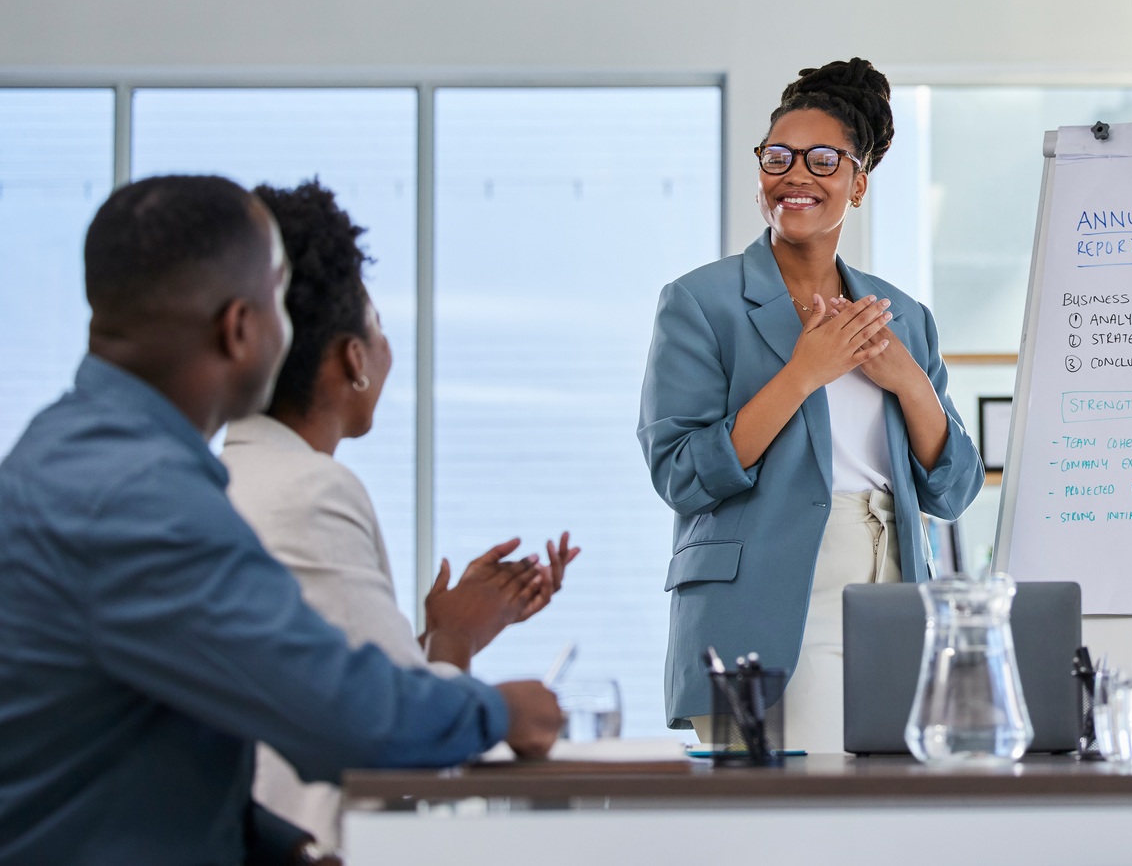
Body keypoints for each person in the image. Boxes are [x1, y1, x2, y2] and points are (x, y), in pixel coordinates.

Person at [0, 175, 563, 866]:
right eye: (277, 297)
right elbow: (351, 716)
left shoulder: (67, 452)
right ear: (240, 328)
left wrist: (284, 846)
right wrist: (502, 709)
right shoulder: (140, 500)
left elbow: (138, 747)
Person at [222, 179, 582, 846]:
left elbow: (323, 683)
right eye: (379, 327)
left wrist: (448, 631)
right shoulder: (313, 490)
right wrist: (459, 648)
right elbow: (398, 742)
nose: (387, 348)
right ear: (352, 360)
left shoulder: (232, 474)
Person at [640, 58, 984, 751]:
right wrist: (802, 373)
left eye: (823, 159)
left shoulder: (902, 316)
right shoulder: (700, 302)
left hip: (896, 590)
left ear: (858, 183)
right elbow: (680, 473)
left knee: (889, 823)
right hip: (771, 597)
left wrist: (910, 382)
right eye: (779, 156)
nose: (796, 174)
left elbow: (954, 488)